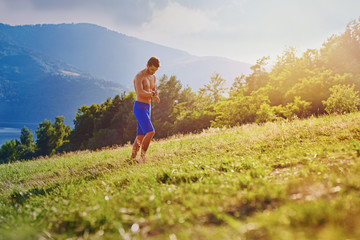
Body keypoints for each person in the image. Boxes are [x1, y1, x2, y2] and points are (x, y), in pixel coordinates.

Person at [130, 57, 160, 164]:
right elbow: (140, 92)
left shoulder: (153, 77)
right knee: (150, 132)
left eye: (155, 71)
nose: (153, 72)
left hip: (148, 107)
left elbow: (152, 89)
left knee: (141, 135)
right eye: (152, 69)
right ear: (147, 65)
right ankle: (142, 158)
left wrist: (155, 93)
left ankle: (132, 159)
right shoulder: (139, 76)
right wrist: (151, 94)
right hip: (139, 107)